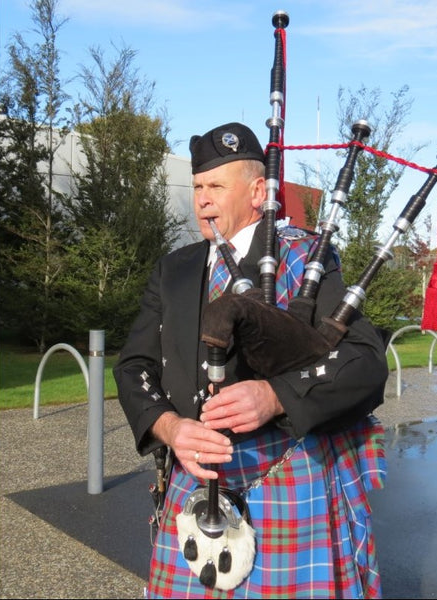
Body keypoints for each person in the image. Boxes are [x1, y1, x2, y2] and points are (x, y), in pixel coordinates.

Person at [114, 122, 390, 599]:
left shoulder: (307, 260)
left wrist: (274, 396)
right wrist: (170, 428)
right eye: (197, 186)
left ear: (259, 191)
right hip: (195, 482)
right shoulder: (174, 270)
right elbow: (135, 366)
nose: (202, 198)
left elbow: (365, 362)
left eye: (216, 185)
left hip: (285, 479)